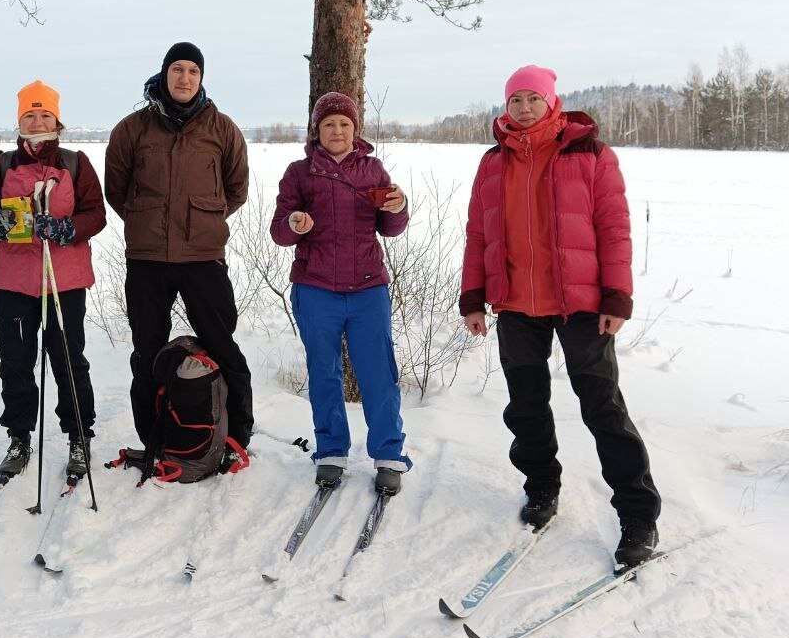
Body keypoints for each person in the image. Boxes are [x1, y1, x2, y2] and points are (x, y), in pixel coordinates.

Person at [460, 65, 661, 568]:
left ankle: (638, 514)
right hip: (516, 306)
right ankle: (542, 487)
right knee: (526, 407)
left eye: (533, 99)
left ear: (552, 102)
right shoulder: (492, 163)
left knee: (602, 407)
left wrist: (617, 297)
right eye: (515, 100)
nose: (523, 108)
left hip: (582, 306)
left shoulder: (590, 154)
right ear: (505, 107)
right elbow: (478, 235)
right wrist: (473, 297)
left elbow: (614, 229)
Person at [104, 42, 253, 462]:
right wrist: (146, 220)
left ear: (201, 78)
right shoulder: (133, 129)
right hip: (147, 260)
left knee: (222, 346)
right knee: (147, 352)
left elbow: (236, 189)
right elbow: (116, 190)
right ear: (164, 74)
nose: (184, 78)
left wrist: (203, 220)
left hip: (203, 258)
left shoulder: (222, 129)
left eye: (192, 70)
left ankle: (236, 434)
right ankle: (155, 439)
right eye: (177, 70)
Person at [269, 91, 413, 494]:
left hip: (368, 288)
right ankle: (331, 451)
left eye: (344, 124)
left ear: (355, 130)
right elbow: (279, 230)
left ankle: (388, 454)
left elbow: (392, 227)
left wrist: (399, 207)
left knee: (378, 373)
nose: (337, 130)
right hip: (316, 289)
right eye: (329, 124)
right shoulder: (299, 173)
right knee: (324, 373)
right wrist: (294, 223)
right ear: (317, 130)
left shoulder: (372, 170)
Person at [0, 81, 106, 482]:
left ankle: (79, 436)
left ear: (57, 120)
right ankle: (19, 435)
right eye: (30, 115)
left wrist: (67, 228)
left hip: (64, 281)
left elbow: (95, 215)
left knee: (68, 361)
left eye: (45, 114)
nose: (37, 121)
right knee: (16, 364)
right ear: (19, 121)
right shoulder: (0, 164)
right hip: (14, 284)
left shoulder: (76, 163)